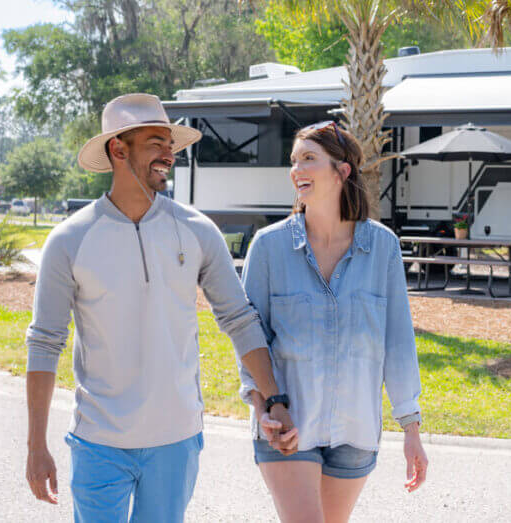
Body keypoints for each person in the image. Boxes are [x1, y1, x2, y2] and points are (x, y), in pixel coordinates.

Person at [24, 93, 297, 522]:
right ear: (118, 148)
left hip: (176, 439)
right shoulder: (70, 240)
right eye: (156, 142)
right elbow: (44, 344)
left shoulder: (196, 231)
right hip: (99, 441)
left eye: (170, 144)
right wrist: (36, 447)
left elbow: (239, 320)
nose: (169, 154)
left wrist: (275, 397)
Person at [239, 120, 427, 523]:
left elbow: (397, 341)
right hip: (286, 424)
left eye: (309, 159)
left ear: (342, 171)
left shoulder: (383, 247)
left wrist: (411, 428)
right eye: (294, 161)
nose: (296, 170)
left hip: (355, 430)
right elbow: (249, 336)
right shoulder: (269, 247)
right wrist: (263, 408)